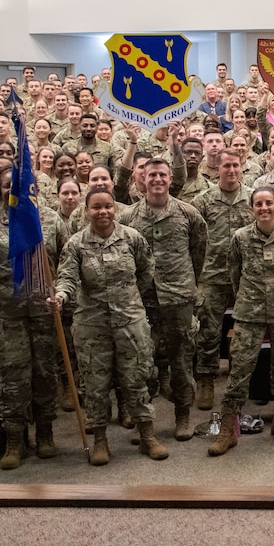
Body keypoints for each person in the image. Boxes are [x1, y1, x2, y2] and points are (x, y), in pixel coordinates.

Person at [51, 189, 167, 465]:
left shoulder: (132, 238)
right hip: (92, 324)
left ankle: (147, 435)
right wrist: (60, 296)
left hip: (130, 321)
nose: (102, 212)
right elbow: (67, 277)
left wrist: (129, 299)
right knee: (95, 384)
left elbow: (145, 271)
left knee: (137, 377)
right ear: (87, 211)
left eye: (107, 207)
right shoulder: (76, 244)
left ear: (114, 208)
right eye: (96, 208)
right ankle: (100, 439)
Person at [0, 167, 71, 469]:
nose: (14, 190)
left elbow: (66, 263)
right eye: (7, 186)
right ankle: (14, 438)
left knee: (45, 375)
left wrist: (62, 295)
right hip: (6, 316)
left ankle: (46, 434)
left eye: (22, 185)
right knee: (13, 379)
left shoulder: (51, 221)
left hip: (44, 313)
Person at [207, 186, 274, 456]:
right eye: (258, 204)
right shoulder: (239, 238)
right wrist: (250, 297)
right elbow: (234, 274)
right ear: (252, 208)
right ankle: (228, 430)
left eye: (269, 203)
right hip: (248, 313)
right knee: (239, 371)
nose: (264, 208)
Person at [117, 157, 208, 440]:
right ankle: (146, 422)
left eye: (162, 175)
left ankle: (183, 416)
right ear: (142, 179)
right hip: (141, 300)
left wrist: (188, 285)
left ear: (171, 179)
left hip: (178, 298)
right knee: (141, 364)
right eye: (151, 175)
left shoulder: (188, 214)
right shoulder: (128, 218)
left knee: (181, 361)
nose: (157, 179)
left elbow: (199, 252)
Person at [191, 150, 253, 411]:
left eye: (235, 165)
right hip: (212, 275)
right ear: (217, 168)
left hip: (246, 277)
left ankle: (240, 383)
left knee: (245, 333)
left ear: (241, 167)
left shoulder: (252, 198)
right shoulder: (202, 201)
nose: (231, 170)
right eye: (226, 165)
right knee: (208, 332)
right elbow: (191, 240)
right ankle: (206, 380)